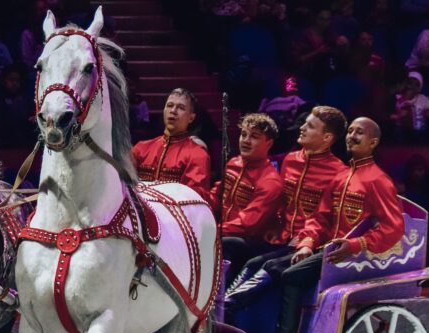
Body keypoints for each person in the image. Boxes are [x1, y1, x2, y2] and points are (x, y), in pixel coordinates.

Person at [265, 117, 405, 333]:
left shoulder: (378, 180)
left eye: (359, 133)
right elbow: (320, 218)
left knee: (291, 277)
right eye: (350, 131)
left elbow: (394, 227)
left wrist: (357, 245)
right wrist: (307, 242)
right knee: (272, 266)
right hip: (328, 251)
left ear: (373, 142)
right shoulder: (341, 177)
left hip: (351, 256)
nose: (352, 136)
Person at [225, 106, 348, 315]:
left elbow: (325, 218)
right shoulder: (291, 160)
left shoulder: (339, 173)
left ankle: (225, 306)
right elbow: (282, 203)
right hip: (282, 240)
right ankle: (224, 304)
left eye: (309, 126)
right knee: (243, 253)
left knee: (267, 264)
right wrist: (275, 226)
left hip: (309, 246)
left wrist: (306, 241)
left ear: (327, 138)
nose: (302, 128)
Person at [210, 113, 284, 286]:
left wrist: (214, 230)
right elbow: (215, 196)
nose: (246, 140)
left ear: (269, 144)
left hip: (249, 243)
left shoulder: (270, 181)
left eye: (254, 137)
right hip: (223, 232)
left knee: (227, 242)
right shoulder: (233, 163)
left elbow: (248, 224)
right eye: (244, 134)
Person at [130, 88, 210, 197]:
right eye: (169, 105)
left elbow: (194, 198)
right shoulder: (141, 148)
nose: (173, 111)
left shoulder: (197, 154)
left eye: (181, 108)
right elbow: (124, 186)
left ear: (191, 118)